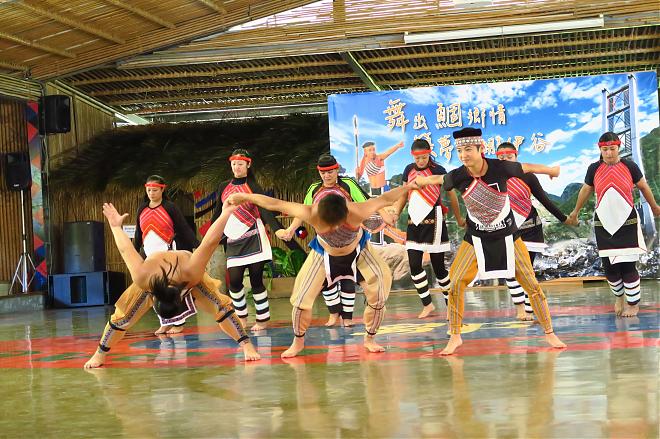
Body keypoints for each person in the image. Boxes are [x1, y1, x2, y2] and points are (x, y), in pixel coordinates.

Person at [415, 127, 566, 355]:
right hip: (475, 238)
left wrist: (551, 170)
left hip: (508, 235)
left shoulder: (500, 166)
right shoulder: (458, 175)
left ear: (480, 149)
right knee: (455, 283)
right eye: (459, 151)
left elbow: (528, 167)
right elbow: (440, 179)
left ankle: (549, 332)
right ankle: (455, 335)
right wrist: (422, 182)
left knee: (532, 286)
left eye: (468, 150)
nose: (464, 155)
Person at [226, 183, 417, 358]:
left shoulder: (357, 210)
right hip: (323, 253)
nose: (334, 227)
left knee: (380, 290)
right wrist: (245, 197)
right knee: (301, 300)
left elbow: (386, 198)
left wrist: (408, 186)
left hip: (359, 250)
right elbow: (274, 203)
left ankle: (369, 338)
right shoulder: (310, 212)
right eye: (329, 224)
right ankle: (298, 342)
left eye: (337, 223)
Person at [83, 200, 260, 369]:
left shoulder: (191, 272)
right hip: (155, 280)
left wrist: (226, 213)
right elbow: (125, 249)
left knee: (222, 307)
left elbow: (209, 242)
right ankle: (100, 353)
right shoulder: (144, 279)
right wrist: (115, 226)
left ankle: (246, 345)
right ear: (152, 296)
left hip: (187, 277)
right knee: (123, 317)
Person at [277, 153, 382, 327]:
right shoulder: (314, 189)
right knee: (326, 279)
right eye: (323, 173)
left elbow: (365, 204)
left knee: (349, 276)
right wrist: (290, 230)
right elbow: (304, 211)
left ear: (336, 169)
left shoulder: (348, 184)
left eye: (331, 171)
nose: (327, 175)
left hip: (351, 239)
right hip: (325, 241)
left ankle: (347, 318)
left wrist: (373, 220)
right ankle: (334, 315)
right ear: (319, 173)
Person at [567, 131, 660, 317]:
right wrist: (575, 212)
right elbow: (586, 190)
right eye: (605, 149)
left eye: (612, 148)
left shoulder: (630, 166)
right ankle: (619, 297)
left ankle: (633, 304)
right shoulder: (594, 168)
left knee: (627, 266)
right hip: (603, 223)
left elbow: (643, 186)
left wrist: (655, 207)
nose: (608, 153)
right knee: (610, 268)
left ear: (618, 148)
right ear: (600, 150)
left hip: (628, 222)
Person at [495, 143, 571, 321]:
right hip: (506, 230)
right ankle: (521, 308)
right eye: (501, 157)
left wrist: (565, 219)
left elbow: (544, 200)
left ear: (516, 157)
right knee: (510, 271)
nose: (505, 160)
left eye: (509, 157)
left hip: (531, 230)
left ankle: (529, 310)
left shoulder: (527, 176)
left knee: (526, 271)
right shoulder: (492, 179)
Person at [210, 149, 284, 331]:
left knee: (256, 280)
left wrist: (278, 230)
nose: (236, 167)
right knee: (234, 282)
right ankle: (241, 318)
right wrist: (210, 237)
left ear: (248, 165)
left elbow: (266, 209)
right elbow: (218, 212)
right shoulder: (223, 187)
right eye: (234, 164)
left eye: (240, 164)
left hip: (254, 237)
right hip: (233, 238)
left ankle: (262, 319)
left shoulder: (253, 186)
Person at [392, 138, 464, 319]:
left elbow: (452, 195)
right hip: (413, 220)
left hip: (435, 219)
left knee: (439, 268)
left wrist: (459, 217)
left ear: (429, 154)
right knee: (414, 265)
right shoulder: (408, 170)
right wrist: (395, 213)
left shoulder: (439, 170)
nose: (421, 161)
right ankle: (427, 304)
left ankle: (450, 305)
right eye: (418, 159)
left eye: (424, 158)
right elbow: (403, 194)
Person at [133, 175, 199, 334]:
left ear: (162, 189)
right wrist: (134, 252)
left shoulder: (170, 207)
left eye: (154, 190)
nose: (151, 193)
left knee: (171, 290)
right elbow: (138, 233)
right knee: (154, 290)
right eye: (148, 190)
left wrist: (198, 247)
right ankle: (165, 322)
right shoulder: (142, 208)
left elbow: (183, 229)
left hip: (168, 254)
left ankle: (179, 323)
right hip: (149, 256)